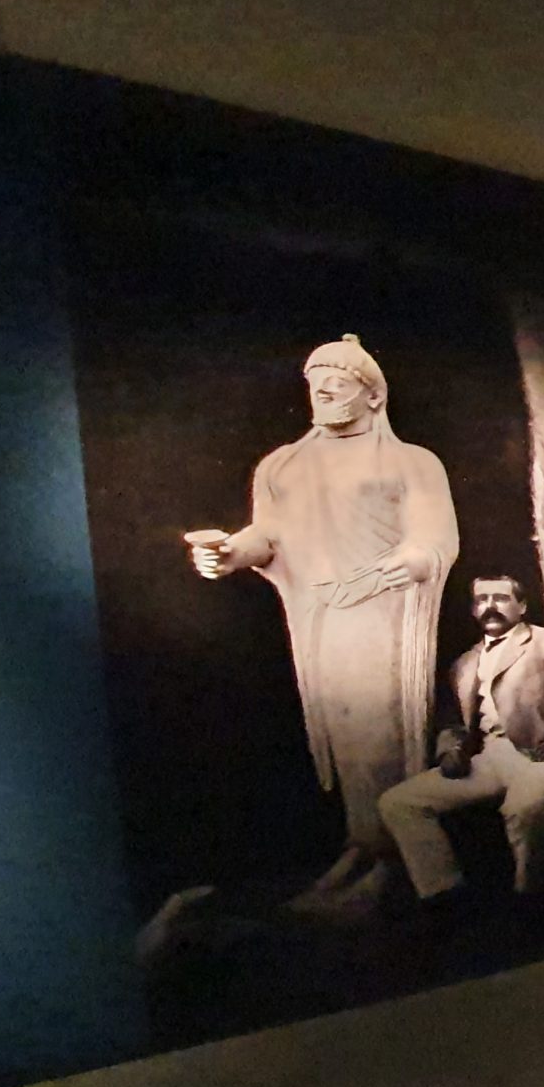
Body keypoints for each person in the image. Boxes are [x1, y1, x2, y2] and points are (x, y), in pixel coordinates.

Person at [185, 334, 459, 912]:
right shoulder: (282, 465)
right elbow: (269, 536)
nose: (323, 392)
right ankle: (362, 846)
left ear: (374, 395)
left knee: (381, 736)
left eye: (338, 383)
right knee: (345, 737)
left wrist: (401, 566)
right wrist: (229, 553)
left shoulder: (412, 463)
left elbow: (434, 539)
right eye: (315, 384)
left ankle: (391, 862)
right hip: (321, 618)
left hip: (383, 617)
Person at [378, 572, 544, 917]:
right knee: (398, 802)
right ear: (474, 610)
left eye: (500, 598)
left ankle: (528, 900)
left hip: (542, 755)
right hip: (489, 758)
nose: (490, 607)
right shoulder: (464, 663)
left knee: (522, 807)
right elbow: (454, 723)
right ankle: (444, 895)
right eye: (482, 600)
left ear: (522, 605)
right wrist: (450, 752)